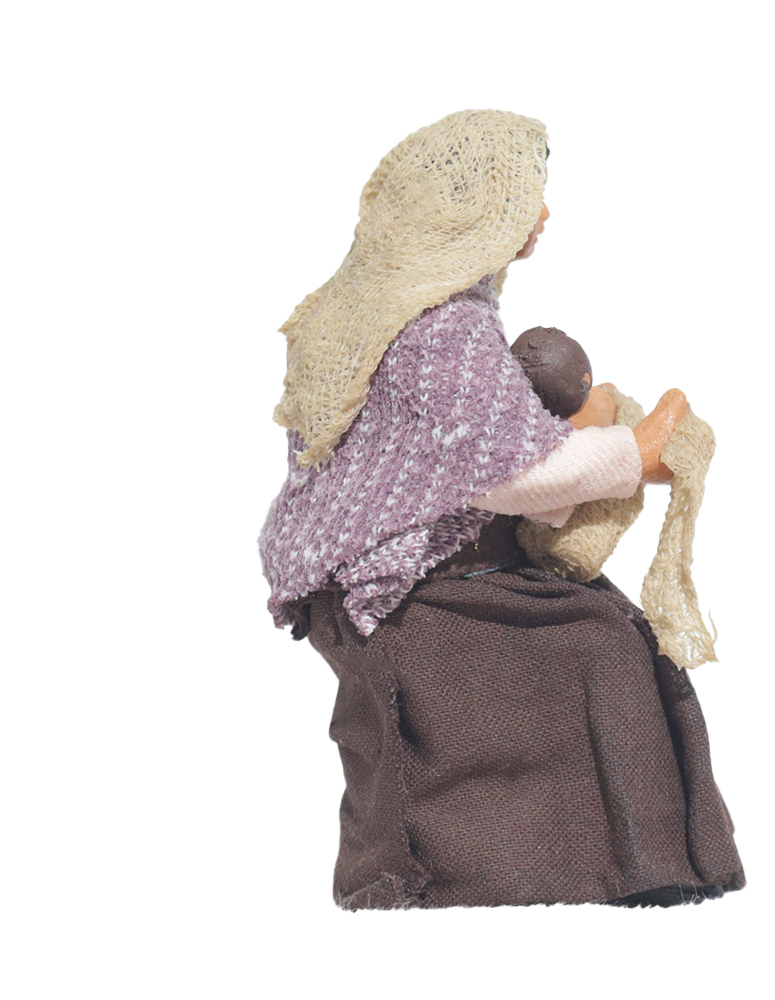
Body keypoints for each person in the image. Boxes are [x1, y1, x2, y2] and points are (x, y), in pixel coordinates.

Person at [259, 110, 745, 909]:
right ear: (473, 210)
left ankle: (620, 860)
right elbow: (517, 477)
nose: (542, 214)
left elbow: (471, 454)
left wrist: (580, 433)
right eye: (525, 196)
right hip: (398, 586)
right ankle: (487, 869)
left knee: (606, 629)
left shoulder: (387, 308)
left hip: (421, 565)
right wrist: (637, 452)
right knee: (598, 644)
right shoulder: (440, 327)